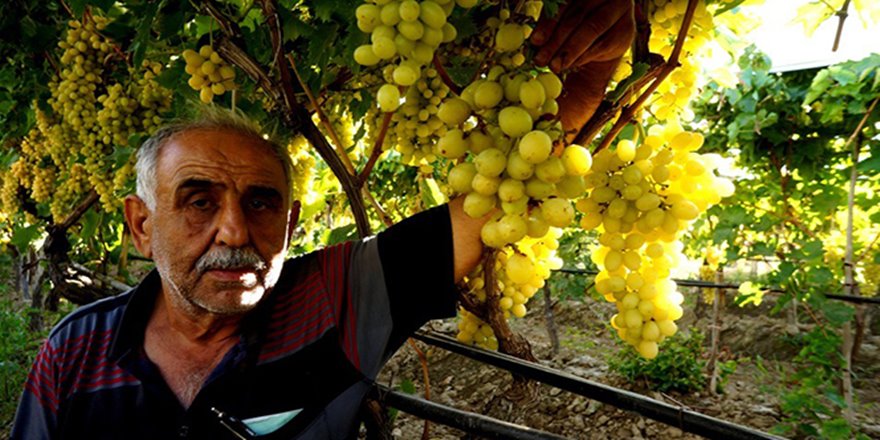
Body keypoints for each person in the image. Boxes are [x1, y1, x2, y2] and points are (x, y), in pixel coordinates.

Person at [11, 1, 634, 438]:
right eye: (199, 201)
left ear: (290, 225)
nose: (234, 231)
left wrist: (577, 84)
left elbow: (497, 196)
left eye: (261, 202)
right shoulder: (75, 348)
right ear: (141, 226)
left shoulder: (339, 300)